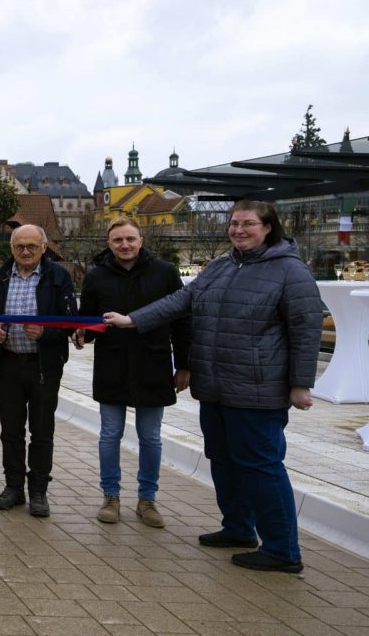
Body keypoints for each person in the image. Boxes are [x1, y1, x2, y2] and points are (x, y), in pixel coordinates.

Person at [105, 200, 321, 573]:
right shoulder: (222, 265)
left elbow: (306, 329)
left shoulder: (291, 271)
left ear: (268, 227)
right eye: (234, 223)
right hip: (216, 387)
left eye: (248, 224)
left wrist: (300, 383)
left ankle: (283, 550)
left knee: (262, 466)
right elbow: (180, 300)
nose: (238, 230)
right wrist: (132, 320)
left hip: (257, 389)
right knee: (223, 461)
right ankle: (237, 528)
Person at [76, 217, 190, 528]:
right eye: (117, 241)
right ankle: (110, 496)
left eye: (130, 239)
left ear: (140, 241)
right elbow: (90, 321)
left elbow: (181, 320)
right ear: (109, 244)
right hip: (112, 364)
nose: (124, 245)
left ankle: (147, 499)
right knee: (110, 435)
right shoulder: (97, 276)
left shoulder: (164, 273)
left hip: (152, 364)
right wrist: (82, 333)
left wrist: (184, 364)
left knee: (150, 437)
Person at [0, 224, 77, 518]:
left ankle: (38, 491)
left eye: (31, 246)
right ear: (12, 249)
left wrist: (46, 332)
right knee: (10, 431)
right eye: (19, 246)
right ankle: (13, 488)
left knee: (42, 430)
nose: (25, 251)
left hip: (43, 367)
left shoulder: (58, 276)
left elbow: (71, 322)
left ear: (43, 247)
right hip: (8, 363)